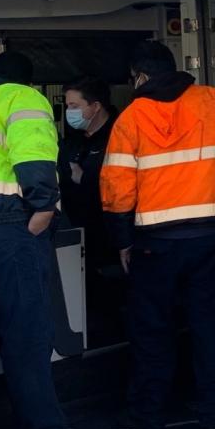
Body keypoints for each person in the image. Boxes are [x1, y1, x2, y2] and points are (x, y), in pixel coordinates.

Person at [0, 50, 107, 429]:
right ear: (25, 80)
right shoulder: (20, 97)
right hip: (9, 223)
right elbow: (34, 154)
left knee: (10, 333)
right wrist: (44, 207)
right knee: (29, 338)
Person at [101, 41, 215, 429]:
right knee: (208, 327)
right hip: (211, 236)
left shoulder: (131, 117)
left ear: (141, 76)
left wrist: (122, 241)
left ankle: (148, 417)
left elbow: (117, 187)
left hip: (153, 243)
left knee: (152, 331)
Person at [59, 76, 123, 341]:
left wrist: (83, 178)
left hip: (111, 239)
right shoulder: (73, 140)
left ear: (96, 106)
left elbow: (118, 183)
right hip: (77, 238)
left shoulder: (120, 135)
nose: (69, 112)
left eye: (74, 106)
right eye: (67, 106)